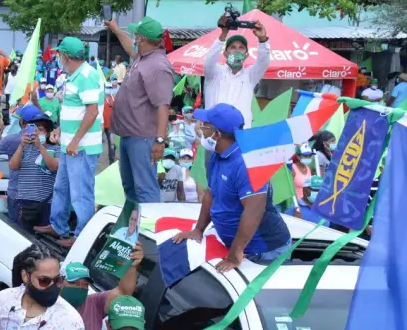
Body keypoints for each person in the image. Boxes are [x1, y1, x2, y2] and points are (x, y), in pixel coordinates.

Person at [172, 104, 291, 272]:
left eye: (205, 126)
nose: (201, 129)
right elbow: (211, 194)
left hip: (264, 252)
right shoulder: (217, 156)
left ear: (217, 135)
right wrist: (198, 230)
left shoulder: (246, 164)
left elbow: (253, 211)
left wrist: (235, 255)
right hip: (240, 249)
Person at [103, 17, 174, 203]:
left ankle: (149, 229)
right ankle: (134, 227)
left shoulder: (158, 66)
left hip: (142, 138)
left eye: (136, 35)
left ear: (141, 38)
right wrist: (116, 30)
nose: (134, 38)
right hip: (130, 135)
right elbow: (129, 49)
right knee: (131, 188)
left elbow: (163, 105)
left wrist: (159, 140)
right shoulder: (144, 57)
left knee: (145, 190)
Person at [43, 37, 103, 247]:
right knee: (62, 188)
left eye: (59, 55)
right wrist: (60, 130)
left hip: (82, 147)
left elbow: (92, 111)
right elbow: (75, 111)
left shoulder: (87, 75)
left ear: (66, 56)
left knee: (81, 194)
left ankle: (81, 237)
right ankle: (58, 225)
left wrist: (76, 141)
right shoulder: (73, 76)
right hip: (70, 145)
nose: (58, 58)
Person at [200, 13, 271, 128]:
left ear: (246, 55)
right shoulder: (215, 73)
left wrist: (263, 39)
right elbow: (209, 60)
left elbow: (264, 61)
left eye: (241, 48)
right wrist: (223, 34)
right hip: (215, 134)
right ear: (225, 53)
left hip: (240, 134)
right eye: (233, 47)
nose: (237, 51)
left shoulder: (250, 76)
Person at [60, 250, 142, 330]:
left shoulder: (94, 303)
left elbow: (123, 292)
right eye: (73, 282)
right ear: (59, 282)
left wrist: (131, 265)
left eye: (85, 284)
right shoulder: (46, 306)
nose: (80, 287)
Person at [8, 106, 59, 230]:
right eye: (33, 130)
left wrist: (40, 147)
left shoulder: (55, 149)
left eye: (40, 130)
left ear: (47, 132)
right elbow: (13, 166)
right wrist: (21, 145)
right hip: (23, 203)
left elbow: (54, 167)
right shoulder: (24, 148)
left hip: (45, 204)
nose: (36, 133)